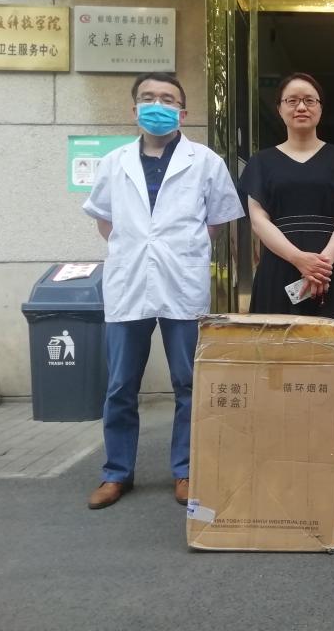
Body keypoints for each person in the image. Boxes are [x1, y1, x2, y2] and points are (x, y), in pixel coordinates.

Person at [82, 72, 244, 510]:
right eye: (149, 98)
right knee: (120, 384)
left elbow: (216, 222)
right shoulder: (114, 162)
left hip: (182, 283)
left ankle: (186, 470)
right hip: (129, 283)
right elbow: (105, 221)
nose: (158, 105)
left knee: (188, 382)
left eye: (168, 99)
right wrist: (138, 248)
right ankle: (116, 473)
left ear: (183, 112)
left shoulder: (205, 161)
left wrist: (179, 250)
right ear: (134, 109)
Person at [238, 73, 334, 347]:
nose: (301, 107)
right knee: (276, 351)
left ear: (320, 107)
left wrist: (321, 267)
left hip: (331, 267)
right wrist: (299, 259)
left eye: (309, 100)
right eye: (292, 101)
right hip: (279, 264)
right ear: (279, 108)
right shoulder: (261, 162)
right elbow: (259, 220)